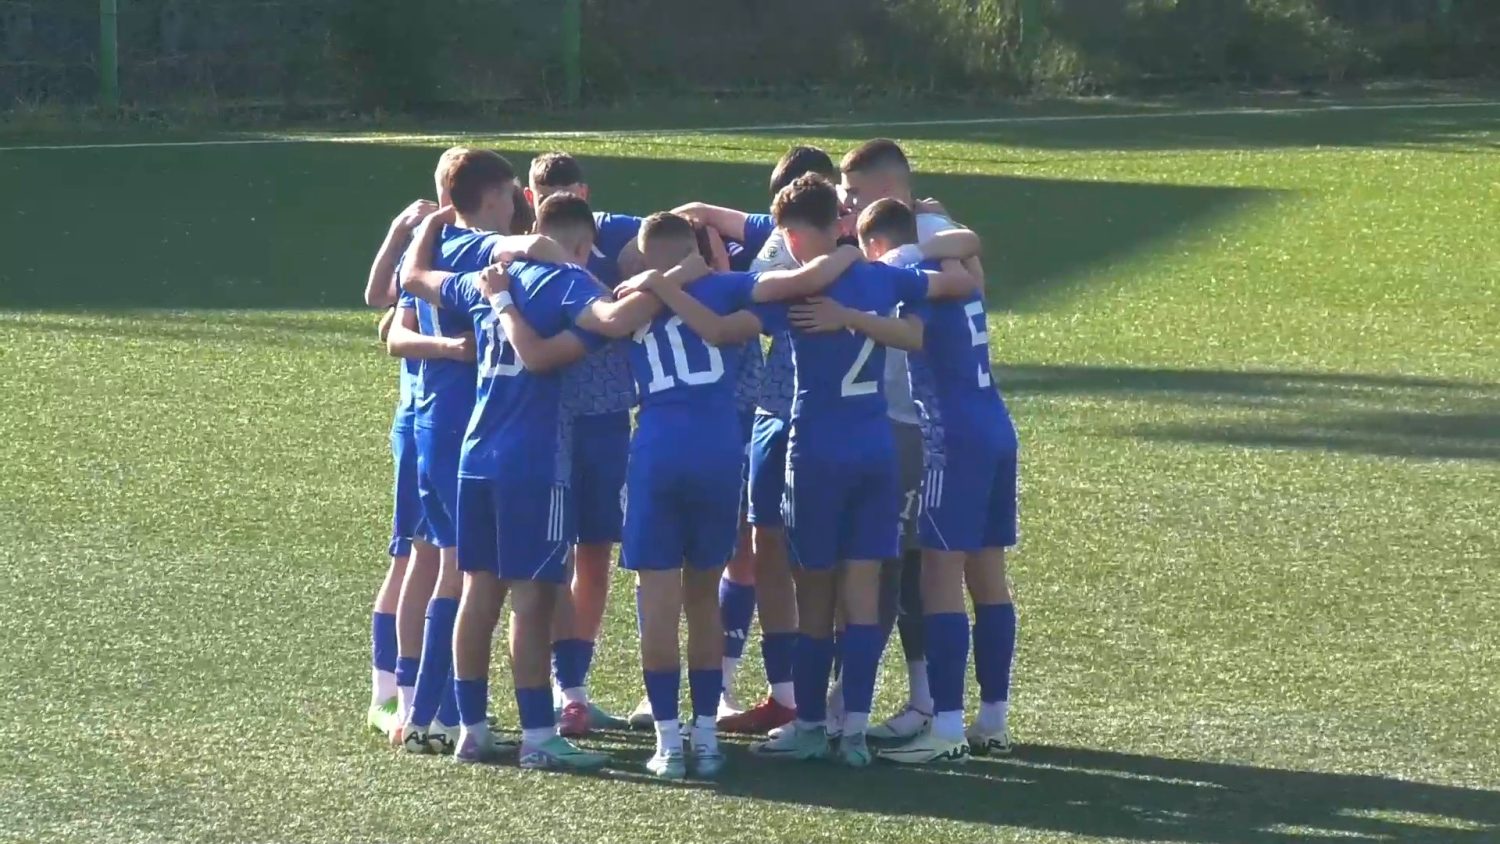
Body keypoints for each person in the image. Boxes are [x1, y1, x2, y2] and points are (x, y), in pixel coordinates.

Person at [602, 211, 858, 776]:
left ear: (645, 255)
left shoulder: (632, 300)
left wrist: (655, 282)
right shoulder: (728, 287)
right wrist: (847, 249)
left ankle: (668, 744)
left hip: (655, 454)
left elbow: (607, 324)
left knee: (657, 600)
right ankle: (706, 738)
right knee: (702, 598)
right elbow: (795, 285)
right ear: (695, 248)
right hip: (719, 453)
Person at [400, 192, 650, 769]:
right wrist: (664, 282)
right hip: (535, 464)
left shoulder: (484, 281)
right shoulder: (568, 285)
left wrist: (432, 226)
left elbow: (412, 277)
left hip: (475, 455)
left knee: (479, 591)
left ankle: (472, 730)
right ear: (582, 247)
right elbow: (613, 321)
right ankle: (539, 735)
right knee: (533, 598)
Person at [847, 200, 1018, 763]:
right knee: (988, 577)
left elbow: (910, 334)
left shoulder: (909, 272)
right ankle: (992, 720)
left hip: (951, 437)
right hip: (996, 426)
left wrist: (852, 316)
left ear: (877, 244)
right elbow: (969, 246)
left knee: (939, 574)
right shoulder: (958, 268)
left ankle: (945, 728)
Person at [387, 149, 538, 754]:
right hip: (458, 421)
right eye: (510, 192)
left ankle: (427, 711)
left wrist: (427, 225)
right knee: (460, 569)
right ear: (492, 196)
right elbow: (527, 248)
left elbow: (400, 298)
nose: (516, 202)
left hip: (429, 419)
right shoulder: (477, 246)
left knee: (450, 564)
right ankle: (433, 716)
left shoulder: (431, 246)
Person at [837, 138, 986, 743]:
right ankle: (927, 701)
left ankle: (924, 702)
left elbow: (964, 283)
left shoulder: (921, 235)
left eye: (854, 192)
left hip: (920, 421)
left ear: (885, 189)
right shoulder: (922, 231)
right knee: (897, 559)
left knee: (910, 562)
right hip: (903, 416)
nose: (846, 202)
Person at [525, 153, 638, 735]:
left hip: (607, 424)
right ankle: (555, 686)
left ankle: (574, 687)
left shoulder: (613, 257)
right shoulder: (521, 271)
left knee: (594, 552)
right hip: (549, 427)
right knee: (553, 557)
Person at [361, 186, 443, 737]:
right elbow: (378, 301)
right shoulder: (433, 250)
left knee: (428, 560)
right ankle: (390, 693)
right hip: (421, 424)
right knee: (413, 558)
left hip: (433, 422)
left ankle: (409, 692)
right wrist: (397, 232)